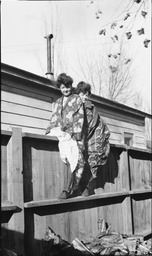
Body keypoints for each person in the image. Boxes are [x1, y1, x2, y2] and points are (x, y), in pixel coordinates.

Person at [45, 73, 85, 199]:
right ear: (60, 88)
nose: (65, 90)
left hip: (74, 134)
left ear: (70, 86)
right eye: (63, 87)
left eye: (67, 87)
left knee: (76, 161)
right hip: (62, 135)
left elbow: (80, 116)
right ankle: (69, 188)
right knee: (66, 159)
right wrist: (49, 130)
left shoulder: (76, 99)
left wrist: (76, 133)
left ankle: (70, 189)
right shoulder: (57, 102)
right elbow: (54, 118)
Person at [75, 81, 110, 195]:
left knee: (92, 161)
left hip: (91, 140)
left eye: (86, 94)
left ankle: (87, 186)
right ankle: (77, 187)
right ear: (78, 94)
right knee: (78, 161)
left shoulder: (91, 108)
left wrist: (104, 140)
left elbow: (99, 124)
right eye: (82, 94)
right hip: (78, 139)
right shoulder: (73, 107)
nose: (84, 97)